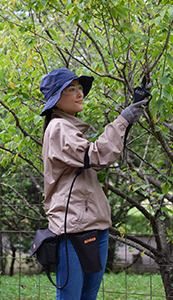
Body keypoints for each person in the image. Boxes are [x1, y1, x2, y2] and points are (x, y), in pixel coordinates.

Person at [40, 68, 148, 300]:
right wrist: (123, 120)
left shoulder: (70, 127)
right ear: (56, 100)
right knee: (71, 297)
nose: (80, 93)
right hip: (73, 228)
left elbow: (95, 163)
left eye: (80, 88)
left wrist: (125, 121)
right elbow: (95, 156)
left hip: (93, 225)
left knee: (88, 297)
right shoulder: (58, 128)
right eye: (71, 89)